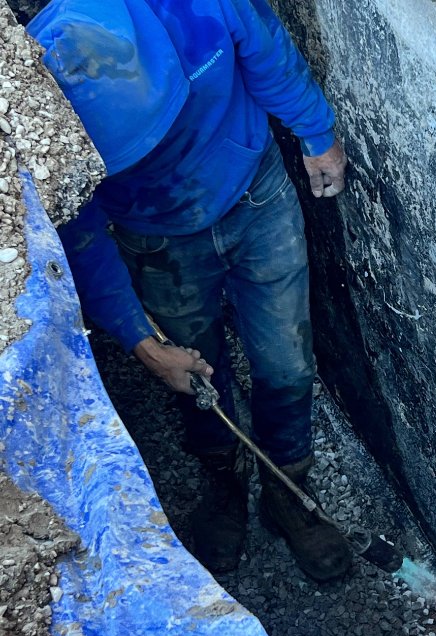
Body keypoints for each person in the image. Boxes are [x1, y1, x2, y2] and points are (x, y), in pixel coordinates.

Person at [29, 0, 354, 580]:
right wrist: (142, 345)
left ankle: (289, 491)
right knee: (194, 376)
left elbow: (266, 51)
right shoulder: (46, 96)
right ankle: (224, 484)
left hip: (256, 197)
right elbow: (80, 237)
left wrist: (318, 131)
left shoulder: (201, 5)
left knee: (288, 363)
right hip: (157, 242)